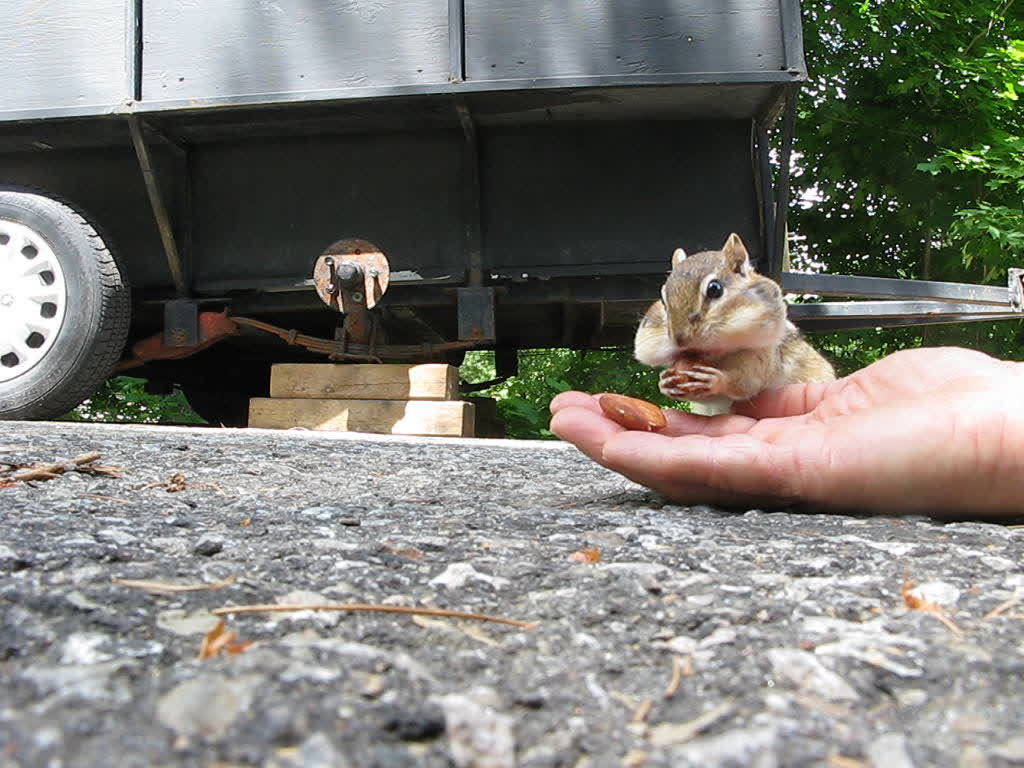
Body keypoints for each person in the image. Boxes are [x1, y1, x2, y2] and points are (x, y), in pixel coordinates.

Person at [549, 347, 1024, 515]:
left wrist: (995, 425)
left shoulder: (761, 336)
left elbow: (754, 379)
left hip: (805, 412)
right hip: (780, 416)